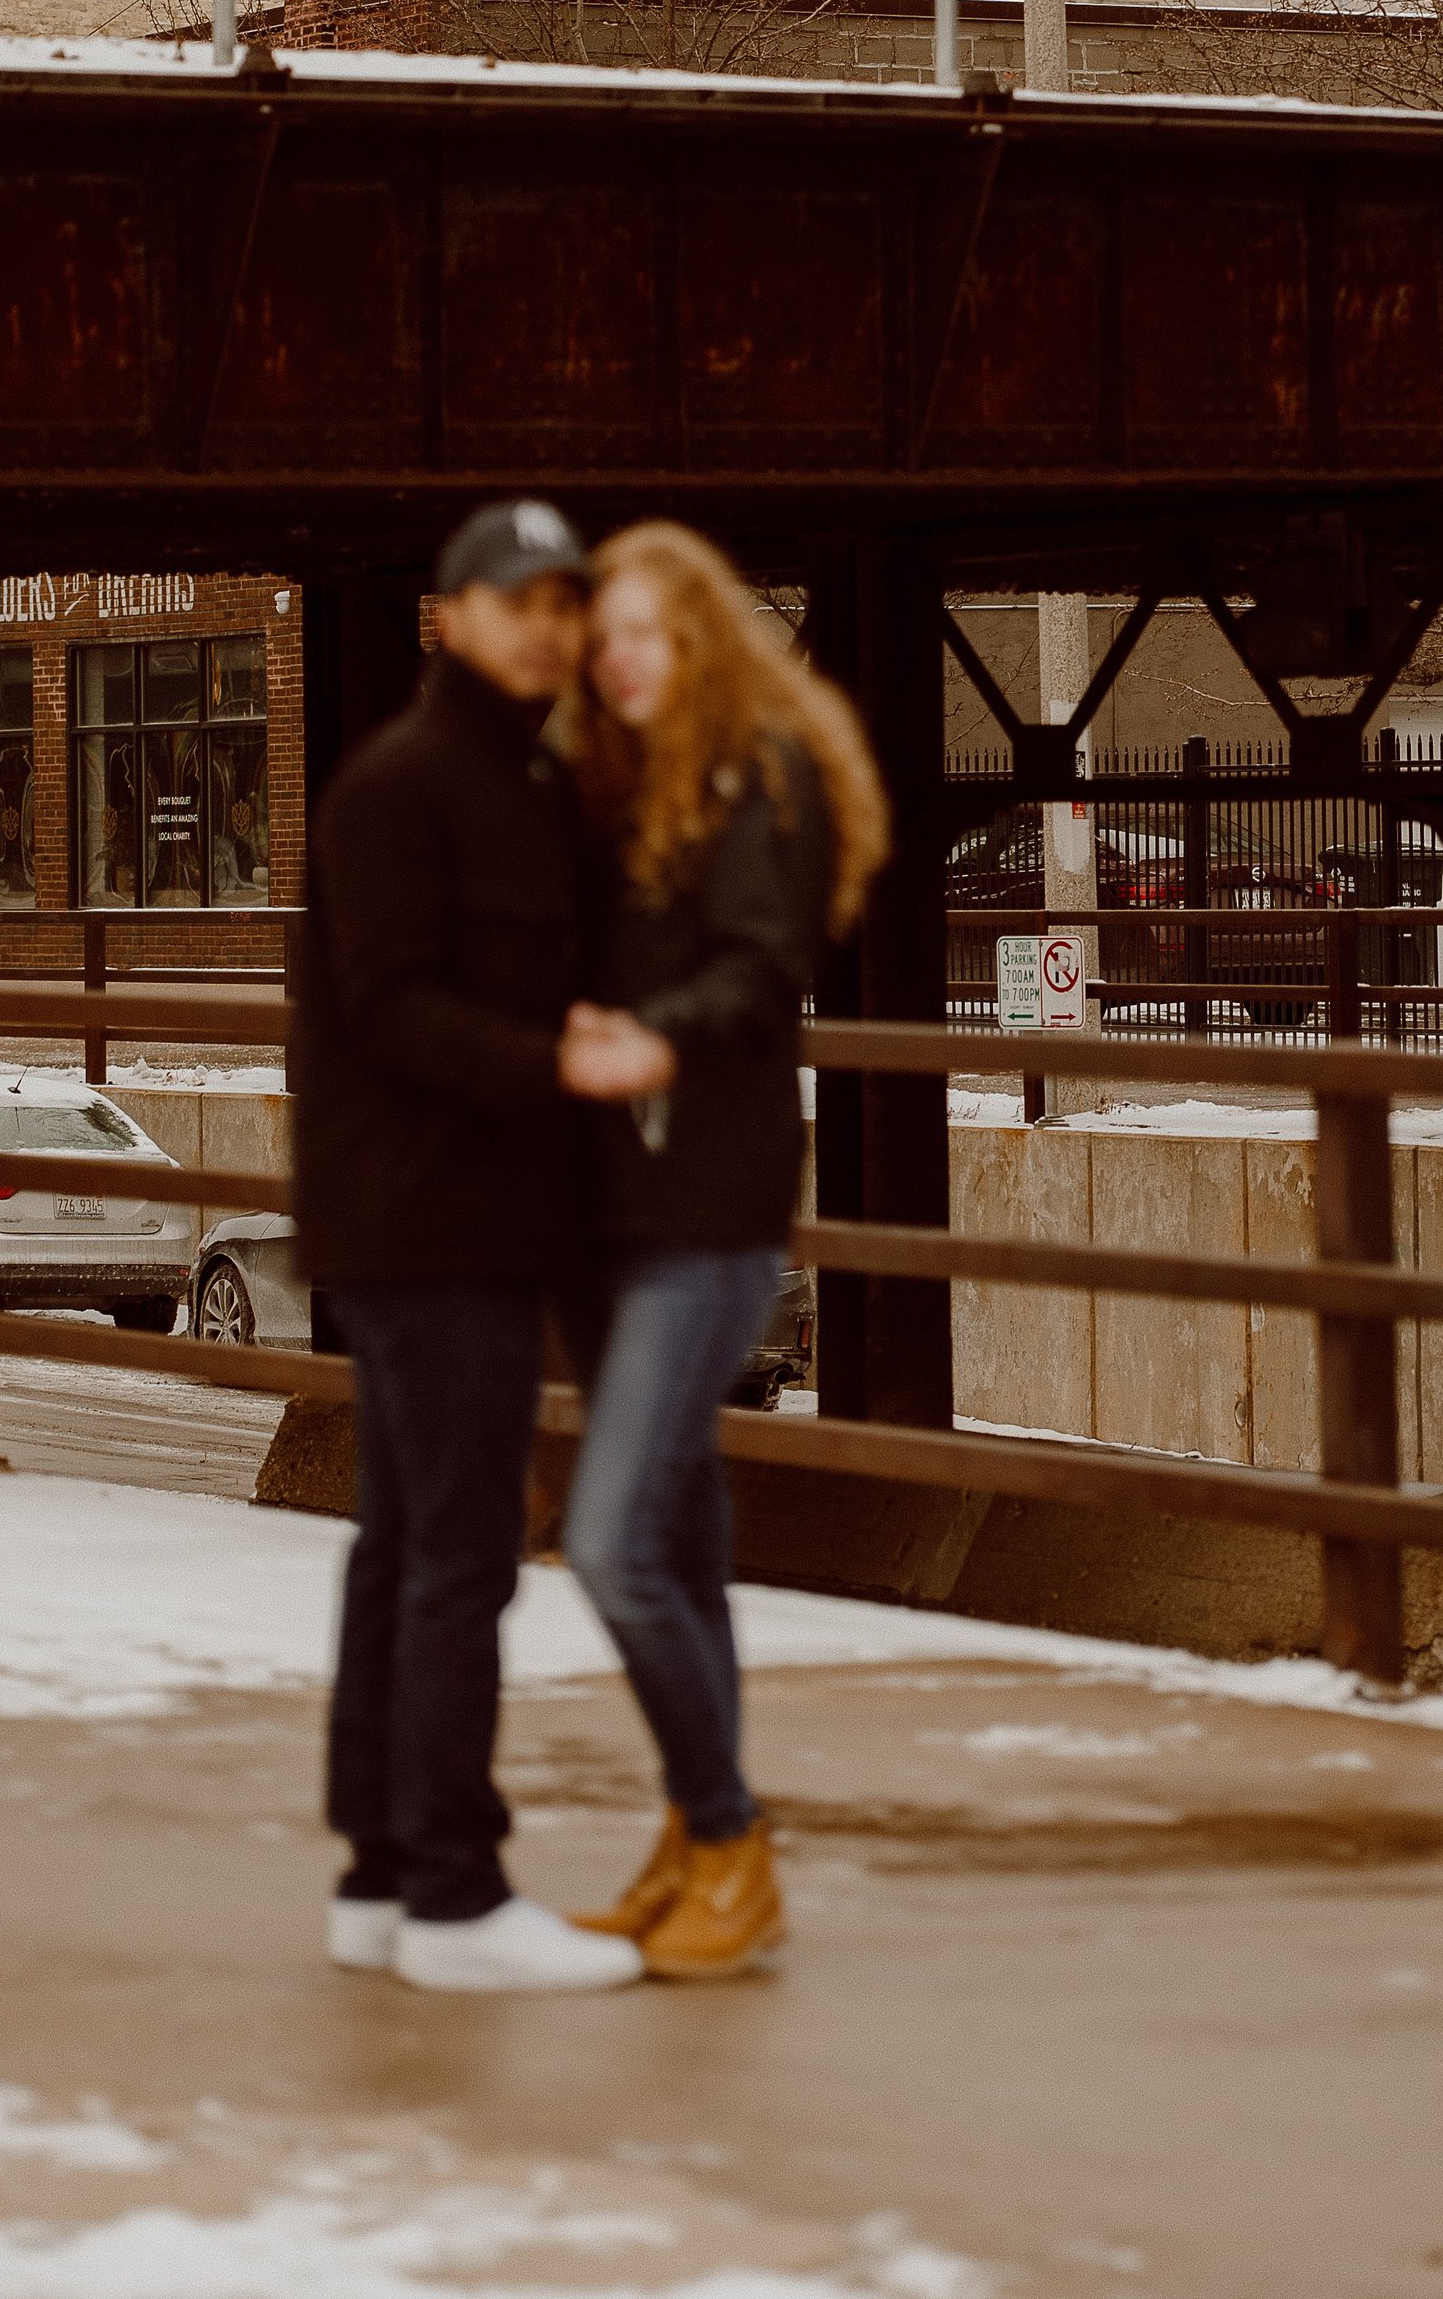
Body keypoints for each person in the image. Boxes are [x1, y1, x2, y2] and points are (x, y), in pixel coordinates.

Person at [291, 496, 668, 1995]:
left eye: (564, 601)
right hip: (434, 1216)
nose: (548, 623)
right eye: (518, 601)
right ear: (450, 615)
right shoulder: (407, 783)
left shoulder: (516, 777)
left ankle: (382, 1871)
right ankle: (454, 1888)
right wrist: (554, 1063)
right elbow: (388, 1005)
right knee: (461, 1555)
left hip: (443, 1215)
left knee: (408, 1542)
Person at [552, 522, 890, 1980]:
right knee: (679, 1548)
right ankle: (698, 1844)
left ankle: (733, 1834)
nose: (623, 656)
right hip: (632, 1213)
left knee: (613, 1539)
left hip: (713, 1213)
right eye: (605, 635)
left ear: (700, 635)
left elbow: (761, 969)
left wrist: (647, 1042)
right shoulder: (636, 784)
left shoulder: (758, 771)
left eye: (648, 631)